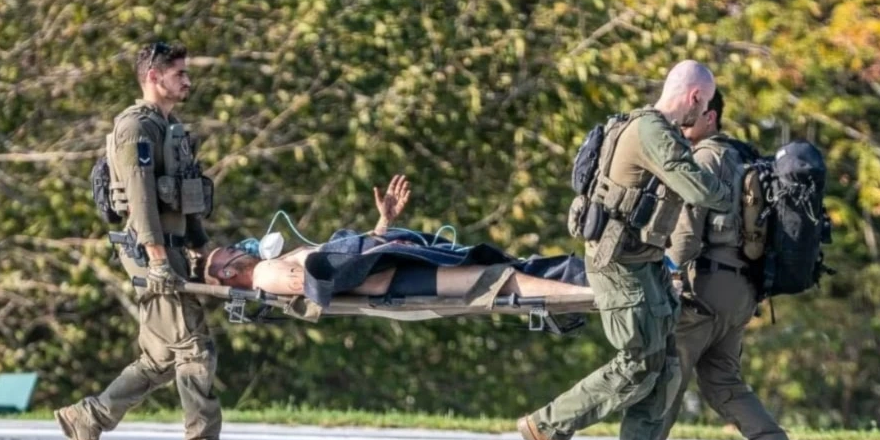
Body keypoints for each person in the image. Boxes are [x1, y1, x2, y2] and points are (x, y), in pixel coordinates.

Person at [517, 60, 733, 440]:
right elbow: (700, 190)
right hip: (619, 264)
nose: (703, 115)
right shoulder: (652, 132)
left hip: (643, 260)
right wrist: (727, 189)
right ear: (694, 97)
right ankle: (549, 425)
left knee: (664, 355)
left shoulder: (642, 126)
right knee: (637, 360)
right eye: (704, 104)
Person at [582, 90, 799, 440]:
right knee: (721, 379)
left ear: (710, 118)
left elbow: (684, 234)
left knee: (666, 367)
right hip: (742, 290)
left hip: (707, 286)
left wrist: (666, 272)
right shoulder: (742, 155)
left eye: (693, 117)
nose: (683, 124)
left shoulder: (705, 158)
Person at [55, 42, 244, 440]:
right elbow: (140, 201)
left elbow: (187, 197)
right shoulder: (136, 128)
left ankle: (88, 416)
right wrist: (158, 259)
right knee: (195, 348)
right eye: (180, 74)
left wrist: (200, 249)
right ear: (154, 77)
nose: (188, 81)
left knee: (160, 358)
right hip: (149, 251)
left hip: (172, 249)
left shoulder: (171, 128)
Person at [202, 174, 595, 301]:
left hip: (388, 264)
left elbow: (342, 263)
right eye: (229, 253)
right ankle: (592, 293)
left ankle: (590, 279)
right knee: (499, 280)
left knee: (503, 269)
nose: (239, 247)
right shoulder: (265, 273)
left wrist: (381, 226)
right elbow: (320, 283)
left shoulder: (271, 264)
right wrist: (374, 260)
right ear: (225, 273)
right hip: (396, 279)